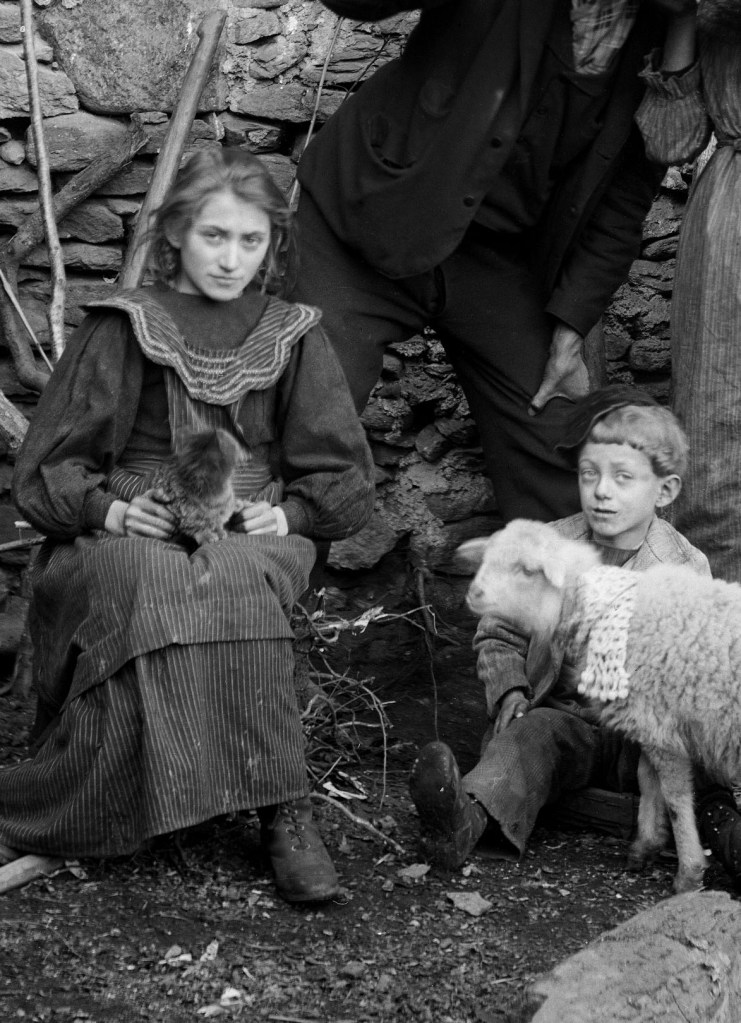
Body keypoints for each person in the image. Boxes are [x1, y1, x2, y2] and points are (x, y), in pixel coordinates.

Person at [0, 148, 375, 904]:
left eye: (249, 241)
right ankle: (113, 799)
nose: (230, 258)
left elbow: (340, 472)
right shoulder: (125, 324)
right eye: (213, 236)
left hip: (247, 521)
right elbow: (49, 466)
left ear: (271, 245)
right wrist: (106, 509)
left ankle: (282, 810)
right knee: (150, 575)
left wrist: (291, 510)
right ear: (176, 234)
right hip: (129, 521)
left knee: (235, 573)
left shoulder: (291, 333)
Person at [292, 0, 685, 524]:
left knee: (562, 453)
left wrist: (570, 328)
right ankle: (270, 595)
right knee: (308, 431)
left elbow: (625, 202)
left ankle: (567, 604)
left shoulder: (665, 32)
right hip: (368, 216)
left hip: (501, 261)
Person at [408, 385, 741, 883]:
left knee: (695, 762)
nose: (602, 491)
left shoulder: (682, 567)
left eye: (623, 478)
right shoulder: (547, 545)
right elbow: (497, 632)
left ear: (664, 491)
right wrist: (511, 691)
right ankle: (465, 816)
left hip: (644, 734)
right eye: (591, 475)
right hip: (569, 721)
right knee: (527, 741)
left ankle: (695, 835)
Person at [634, 0, 741, 582]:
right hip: (729, 229)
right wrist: (680, 17)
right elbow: (670, 141)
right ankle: (716, 629)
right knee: (717, 423)